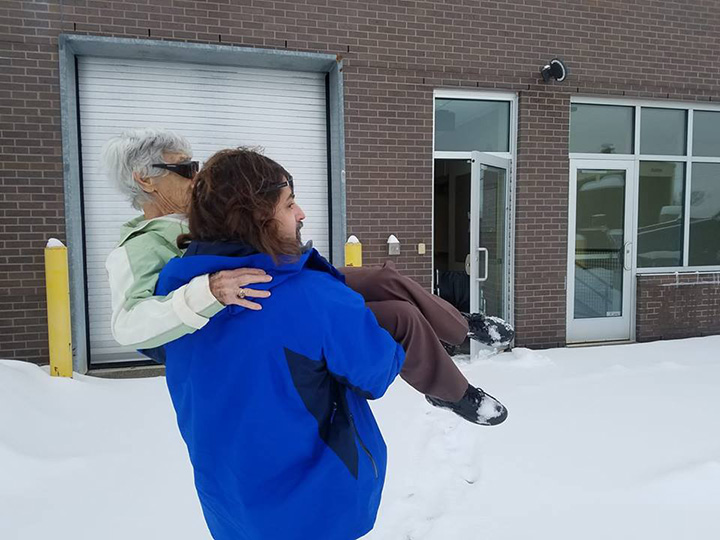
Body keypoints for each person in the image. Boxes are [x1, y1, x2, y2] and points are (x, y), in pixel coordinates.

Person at [102, 128, 509, 425]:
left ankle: (462, 327)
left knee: (385, 278)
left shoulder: (201, 208)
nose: (196, 175)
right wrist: (204, 293)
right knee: (398, 317)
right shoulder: (137, 246)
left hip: (285, 276)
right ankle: (452, 393)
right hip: (257, 307)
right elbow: (128, 326)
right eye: (185, 168)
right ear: (145, 179)